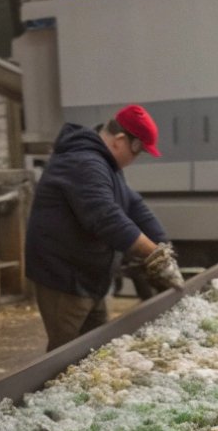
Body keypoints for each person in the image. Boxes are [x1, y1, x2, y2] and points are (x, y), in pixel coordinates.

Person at [25, 104, 185, 351]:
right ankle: (60, 390)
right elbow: (106, 218)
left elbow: (133, 204)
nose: (135, 159)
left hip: (89, 276)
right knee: (64, 354)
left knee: (95, 347)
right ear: (120, 140)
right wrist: (155, 255)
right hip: (65, 278)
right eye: (137, 152)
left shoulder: (106, 164)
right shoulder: (83, 162)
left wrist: (164, 246)